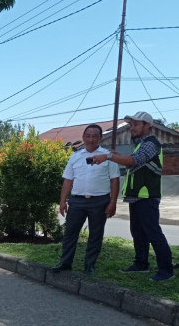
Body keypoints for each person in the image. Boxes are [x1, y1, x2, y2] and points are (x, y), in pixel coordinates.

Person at [91, 111, 174, 281]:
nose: (132, 128)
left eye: (136, 124)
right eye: (131, 125)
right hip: (136, 196)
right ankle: (141, 264)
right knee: (138, 232)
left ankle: (166, 269)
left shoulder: (151, 143)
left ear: (147, 126)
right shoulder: (140, 145)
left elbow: (133, 161)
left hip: (147, 197)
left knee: (153, 232)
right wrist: (118, 157)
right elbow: (133, 161)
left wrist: (109, 156)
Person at [51, 124, 120, 275]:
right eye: (88, 136)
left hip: (100, 201)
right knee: (70, 233)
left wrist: (113, 202)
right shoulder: (75, 157)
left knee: (95, 235)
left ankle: (90, 265)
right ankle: (65, 263)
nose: (91, 139)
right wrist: (63, 201)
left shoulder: (108, 156)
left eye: (95, 136)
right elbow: (68, 180)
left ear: (100, 138)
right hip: (77, 201)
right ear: (83, 138)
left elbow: (115, 180)